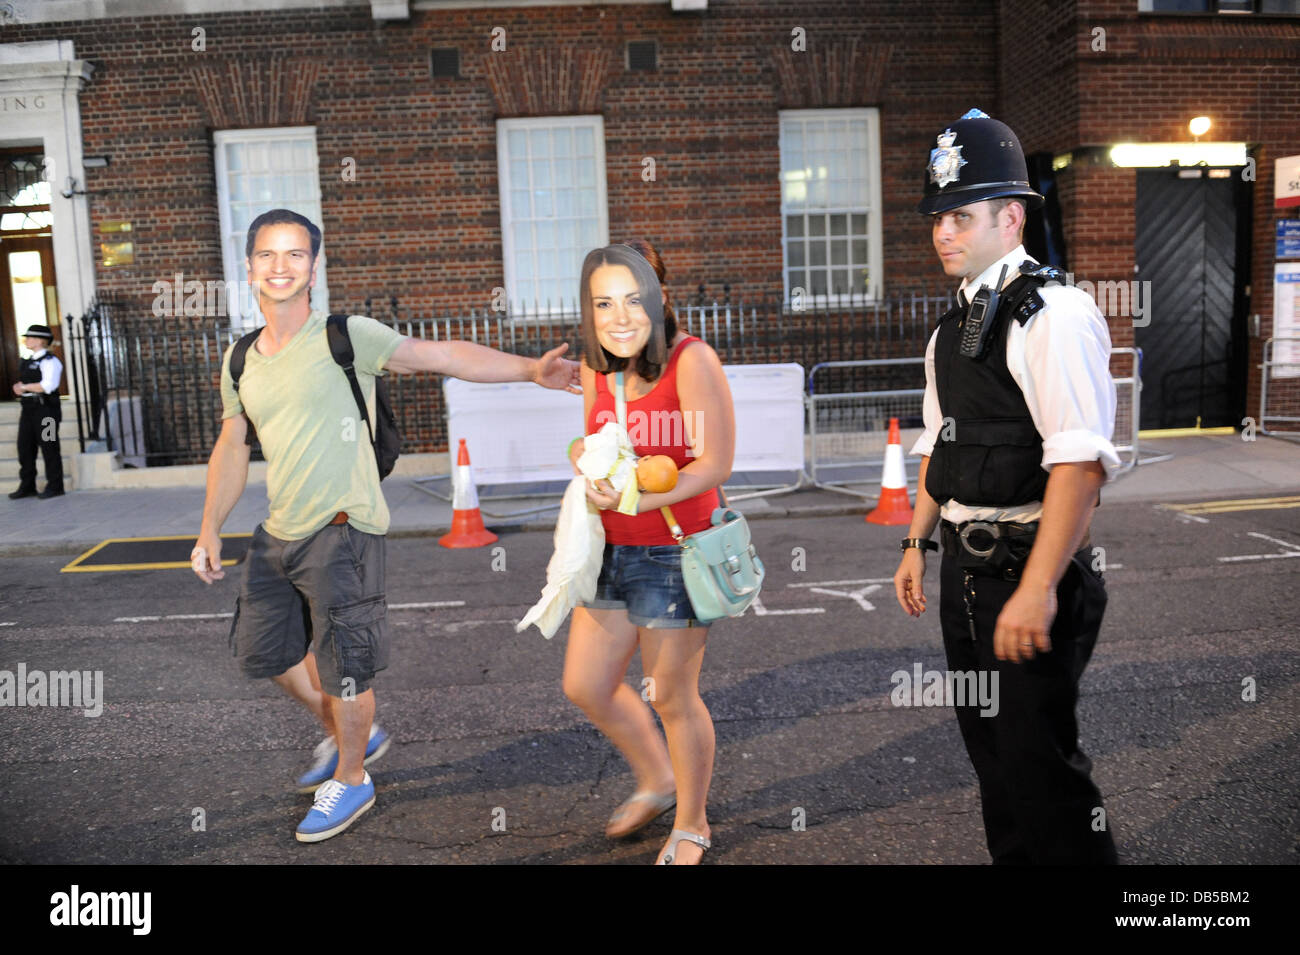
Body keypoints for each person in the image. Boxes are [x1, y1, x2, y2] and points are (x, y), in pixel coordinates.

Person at [192, 208, 580, 843]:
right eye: (268, 254)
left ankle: (352, 777)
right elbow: (232, 445)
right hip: (278, 530)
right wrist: (210, 526)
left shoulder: (347, 335)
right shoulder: (241, 359)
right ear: (250, 266)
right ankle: (354, 732)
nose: (281, 266)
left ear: (313, 267)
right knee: (265, 654)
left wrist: (531, 370)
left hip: (345, 526)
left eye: (295, 255)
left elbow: (442, 355)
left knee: (347, 666)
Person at [891, 109, 1120, 864]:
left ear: (1011, 216)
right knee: (994, 766)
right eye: (937, 217)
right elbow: (939, 446)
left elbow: (1079, 464)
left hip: (1028, 570)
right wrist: (915, 544)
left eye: (960, 215)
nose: (943, 232)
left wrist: (1039, 587)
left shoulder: (1053, 315)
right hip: (966, 572)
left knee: (1041, 772)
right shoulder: (950, 328)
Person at [562, 240, 735, 865]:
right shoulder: (596, 366)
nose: (619, 315)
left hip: (674, 552)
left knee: (670, 696)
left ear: (658, 298)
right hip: (611, 549)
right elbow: (594, 438)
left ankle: (691, 823)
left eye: (634, 299)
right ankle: (658, 780)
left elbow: (715, 462)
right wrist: (588, 464)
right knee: (586, 683)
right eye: (603, 302)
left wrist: (640, 491)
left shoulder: (692, 360)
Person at [9, 324, 65, 500]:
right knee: (24, 447)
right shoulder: (28, 360)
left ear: (40, 340)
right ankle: (27, 485)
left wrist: (24, 387)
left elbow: (48, 386)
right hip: (28, 410)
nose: (27, 340)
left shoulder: (50, 361)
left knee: (49, 446)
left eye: (30, 337)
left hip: (46, 411)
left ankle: (55, 486)